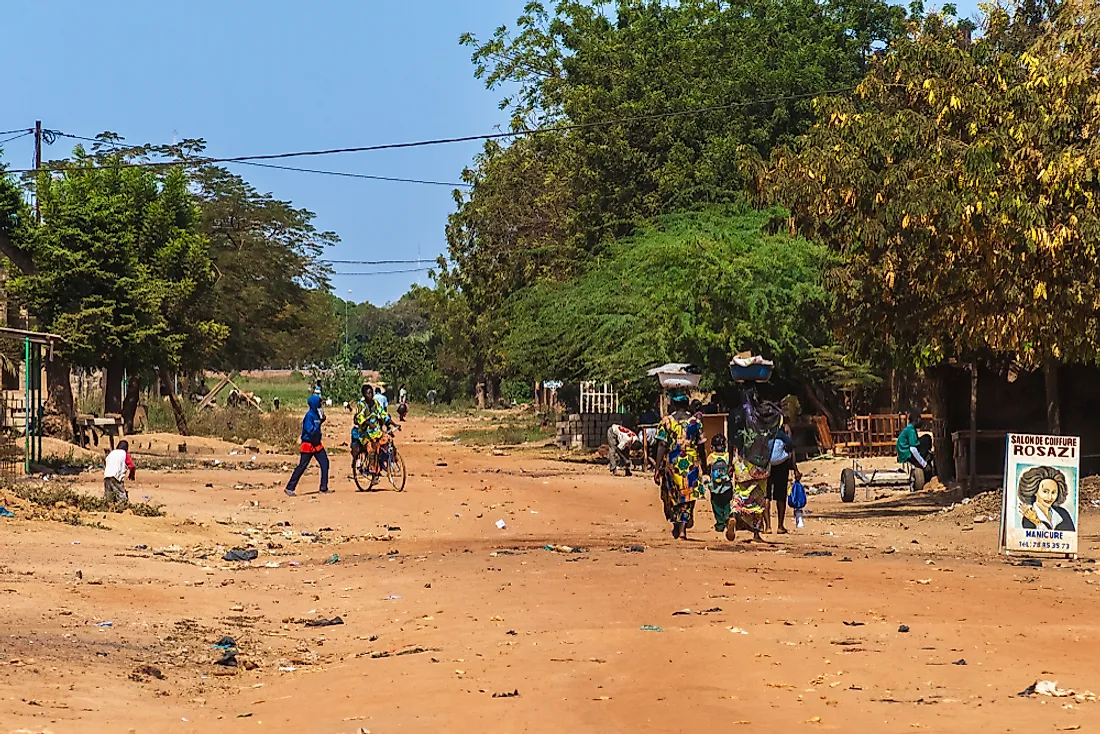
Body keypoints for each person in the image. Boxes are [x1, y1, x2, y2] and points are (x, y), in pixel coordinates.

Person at [653, 391, 708, 540]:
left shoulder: (666, 421)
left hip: (673, 462)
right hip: (691, 462)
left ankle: (678, 525)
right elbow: (701, 446)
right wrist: (705, 466)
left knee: (673, 494)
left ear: (674, 405)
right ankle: (682, 527)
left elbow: (661, 445)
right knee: (688, 495)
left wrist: (657, 468)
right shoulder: (695, 422)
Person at [285, 394, 330, 496]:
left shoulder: (317, 414)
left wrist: (322, 421)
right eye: (319, 403)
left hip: (317, 444)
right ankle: (289, 487)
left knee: (325, 463)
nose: (320, 405)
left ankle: (323, 487)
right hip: (308, 444)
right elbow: (310, 430)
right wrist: (318, 426)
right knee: (302, 466)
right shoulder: (309, 416)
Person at [766, 422, 800, 534]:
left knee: (766, 496)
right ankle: (780, 526)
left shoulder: (762, 426)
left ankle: (767, 527)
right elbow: (791, 448)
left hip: (767, 465)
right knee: (780, 496)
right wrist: (795, 469)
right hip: (782, 465)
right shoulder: (785, 428)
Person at [1018, 465, 1075, 531]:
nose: (1050, 497)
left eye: (1053, 492)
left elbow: (1070, 538)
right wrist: (1037, 522)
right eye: (1045, 491)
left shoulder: (1063, 513)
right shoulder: (1028, 518)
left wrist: (1038, 522)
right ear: (1035, 492)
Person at [707, 433, 735, 537]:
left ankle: (720, 524)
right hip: (727, 486)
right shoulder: (728, 456)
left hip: (715, 488)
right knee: (727, 504)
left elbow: (706, 468)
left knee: (716, 506)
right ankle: (728, 518)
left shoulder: (711, 457)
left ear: (712, 447)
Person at [897, 410, 931, 475]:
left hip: (904, 453)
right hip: (906, 454)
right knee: (926, 439)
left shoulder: (909, 429)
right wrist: (924, 464)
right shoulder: (911, 431)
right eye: (920, 419)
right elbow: (913, 449)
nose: (921, 422)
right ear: (917, 420)